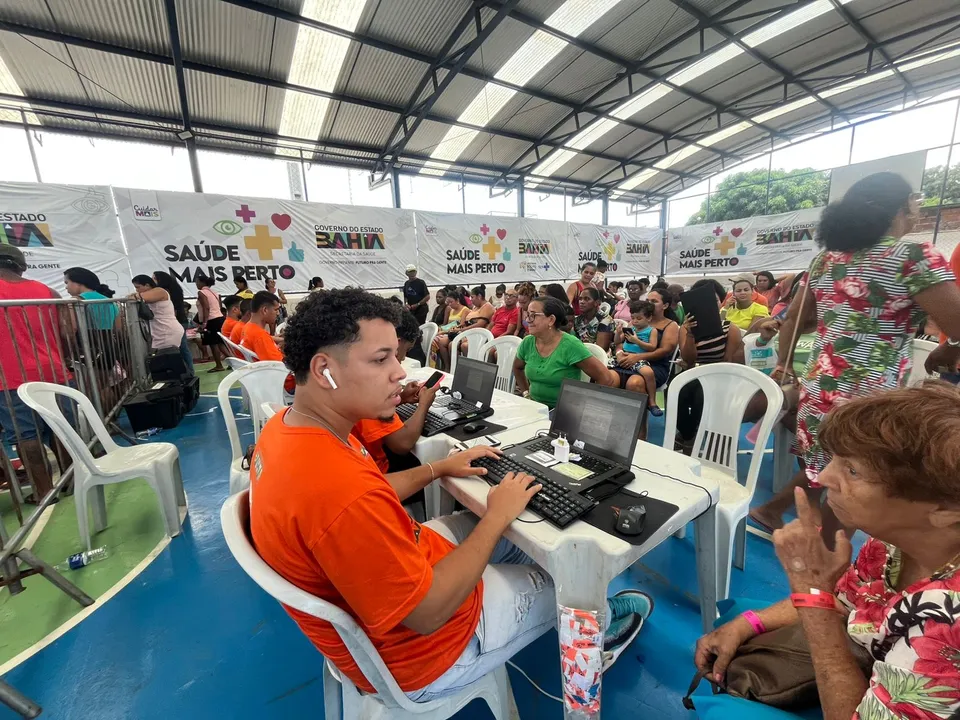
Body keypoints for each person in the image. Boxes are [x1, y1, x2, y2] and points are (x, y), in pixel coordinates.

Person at [250, 289, 654, 702]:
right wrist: (497, 516)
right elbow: (427, 614)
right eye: (380, 359)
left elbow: (372, 489)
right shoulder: (336, 493)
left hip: (397, 581)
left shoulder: (289, 429)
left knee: (520, 532)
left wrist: (439, 468)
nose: (398, 373)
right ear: (324, 370)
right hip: (427, 653)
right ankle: (599, 631)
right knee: (572, 580)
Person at [696, 384, 960, 720]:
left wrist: (809, 591)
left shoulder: (949, 616)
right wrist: (747, 624)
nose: (822, 476)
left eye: (852, 471)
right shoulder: (892, 543)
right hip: (874, 660)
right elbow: (844, 600)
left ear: (944, 509)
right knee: (738, 613)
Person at [750, 172, 960, 541]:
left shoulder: (828, 261)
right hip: (869, 396)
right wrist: (950, 347)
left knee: (829, 467)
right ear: (898, 207)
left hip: (820, 386)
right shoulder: (913, 257)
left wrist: (784, 366)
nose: (917, 208)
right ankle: (832, 564)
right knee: (853, 479)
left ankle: (775, 512)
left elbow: (792, 323)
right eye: (915, 200)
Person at [0, 245, 71, 500]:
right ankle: (70, 478)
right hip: (52, 370)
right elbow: (67, 332)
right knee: (59, 427)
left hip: (10, 377)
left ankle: (43, 492)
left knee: (25, 435)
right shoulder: (47, 291)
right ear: (21, 265)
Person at [672, 279, 744, 445]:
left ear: (721, 302)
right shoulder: (685, 328)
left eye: (716, 300)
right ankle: (688, 433)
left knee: (700, 396)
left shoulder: (731, 329)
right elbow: (688, 360)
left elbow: (728, 361)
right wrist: (690, 334)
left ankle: (689, 436)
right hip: (693, 371)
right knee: (675, 391)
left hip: (719, 374)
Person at [514, 297, 617, 410]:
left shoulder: (570, 345)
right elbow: (517, 368)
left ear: (551, 320)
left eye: (533, 315)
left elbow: (606, 379)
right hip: (535, 408)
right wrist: (526, 394)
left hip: (564, 411)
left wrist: (586, 407)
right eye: (527, 315)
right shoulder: (528, 342)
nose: (527, 320)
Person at [612, 288, 679, 417]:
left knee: (634, 383)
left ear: (665, 305)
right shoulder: (636, 321)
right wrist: (620, 353)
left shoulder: (670, 325)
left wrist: (637, 357)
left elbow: (664, 351)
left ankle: (639, 427)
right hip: (628, 360)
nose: (649, 303)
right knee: (608, 378)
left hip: (655, 366)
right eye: (647, 300)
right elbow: (621, 342)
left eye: (654, 301)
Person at [130, 274, 186, 357]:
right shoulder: (156, 292)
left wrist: (133, 295)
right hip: (162, 330)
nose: (136, 290)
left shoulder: (159, 291)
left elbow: (138, 297)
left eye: (138, 287)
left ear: (147, 285)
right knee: (167, 361)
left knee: (170, 361)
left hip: (167, 330)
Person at [153, 270, 194, 375]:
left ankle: (187, 372)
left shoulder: (163, 292)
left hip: (175, 322)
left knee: (179, 349)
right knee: (183, 348)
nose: (152, 281)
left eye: (154, 279)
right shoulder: (175, 290)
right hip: (181, 321)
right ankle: (189, 371)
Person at [64, 267, 118, 331]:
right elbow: (118, 329)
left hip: (85, 340)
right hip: (108, 339)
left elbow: (73, 328)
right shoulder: (112, 303)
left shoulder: (75, 301)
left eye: (67, 283)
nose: (66, 287)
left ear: (78, 282)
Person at [431, 287, 470, 370]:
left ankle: (454, 367)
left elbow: (461, 325)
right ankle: (446, 365)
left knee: (448, 343)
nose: (449, 304)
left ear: (457, 300)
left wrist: (443, 332)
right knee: (437, 341)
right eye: (448, 302)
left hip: (460, 333)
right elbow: (449, 324)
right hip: (451, 332)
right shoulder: (451, 310)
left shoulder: (465, 310)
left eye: (451, 302)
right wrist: (442, 330)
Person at [195, 274, 226, 373]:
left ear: (202, 282)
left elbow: (206, 307)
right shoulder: (215, 293)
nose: (196, 284)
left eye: (197, 282)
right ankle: (234, 361)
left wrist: (204, 322)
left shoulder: (201, 292)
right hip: (220, 318)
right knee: (221, 343)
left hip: (211, 319)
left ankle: (219, 365)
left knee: (213, 344)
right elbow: (220, 307)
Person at [240, 291, 283, 362]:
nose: (278, 313)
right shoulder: (260, 336)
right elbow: (279, 365)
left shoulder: (247, 327)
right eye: (276, 310)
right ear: (265, 310)